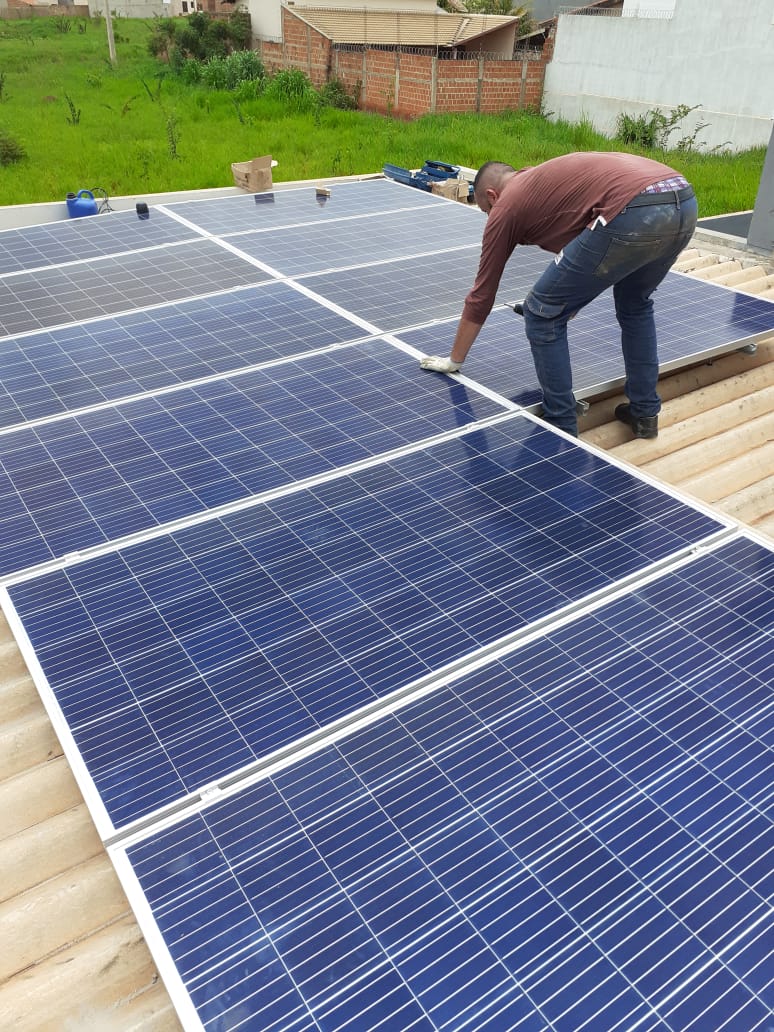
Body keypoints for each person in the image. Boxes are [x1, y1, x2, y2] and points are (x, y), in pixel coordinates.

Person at [420, 151, 698, 438]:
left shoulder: (507, 206)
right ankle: (644, 413)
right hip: (682, 200)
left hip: (633, 208)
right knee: (634, 304)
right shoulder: (548, 186)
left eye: (486, 211)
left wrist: (454, 360)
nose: (490, 217)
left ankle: (561, 425)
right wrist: (567, 304)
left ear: (492, 196)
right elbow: (587, 263)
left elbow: (483, 293)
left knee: (540, 313)